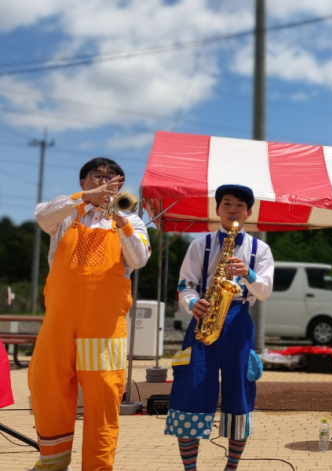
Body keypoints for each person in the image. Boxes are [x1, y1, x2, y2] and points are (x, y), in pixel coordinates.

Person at [29, 158, 151, 471]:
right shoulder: (66, 212)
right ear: (84, 181)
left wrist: (121, 220)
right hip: (60, 317)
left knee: (104, 393)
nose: (105, 183)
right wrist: (84, 199)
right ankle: (54, 463)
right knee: (48, 384)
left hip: (105, 324)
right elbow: (42, 215)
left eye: (112, 179)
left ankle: (97, 467)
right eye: (98, 177)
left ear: (120, 186)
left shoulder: (132, 221)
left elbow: (138, 260)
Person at [165, 184, 274, 471]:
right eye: (227, 203)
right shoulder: (200, 245)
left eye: (240, 205)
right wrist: (192, 303)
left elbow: (264, 291)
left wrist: (247, 273)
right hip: (203, 319)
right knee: (192, 389)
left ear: (249, 213)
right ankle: (190, 468)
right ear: (217, 210)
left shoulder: (260, 248)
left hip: (238, 320)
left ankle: (231, 468)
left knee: (239, 392)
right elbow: (184, 284)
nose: (233, 209)